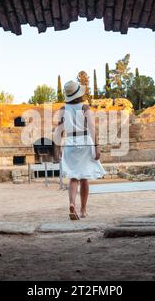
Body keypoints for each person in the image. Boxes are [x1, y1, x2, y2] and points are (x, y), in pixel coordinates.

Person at [54, 81, 106, 220]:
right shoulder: (85, 107)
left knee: (73, 178)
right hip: (85, 142)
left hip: (70, 143)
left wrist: (58, 147)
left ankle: (72, 204)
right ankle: (83, 210)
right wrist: (97, 146)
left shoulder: (63, 109)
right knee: (84, 178)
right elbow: (92, 128)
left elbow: (59, 130)